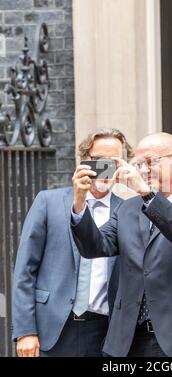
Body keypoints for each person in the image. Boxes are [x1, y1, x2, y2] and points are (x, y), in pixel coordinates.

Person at [71, 132, 172, 357]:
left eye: (150, 162)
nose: (143, 170)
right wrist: (79, 204)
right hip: (130, 340)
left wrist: (147, 195)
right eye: (138, 164)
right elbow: (95, 247)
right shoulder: (127, 208)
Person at [12, 128, 133, 357]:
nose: (106, 167)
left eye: (114, 160)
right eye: (98, 160)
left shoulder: (128, 211)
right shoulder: (48, 202)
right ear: (85, 160)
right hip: (52, 329)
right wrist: (25, 330)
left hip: (104, 333)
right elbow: (25, 270)